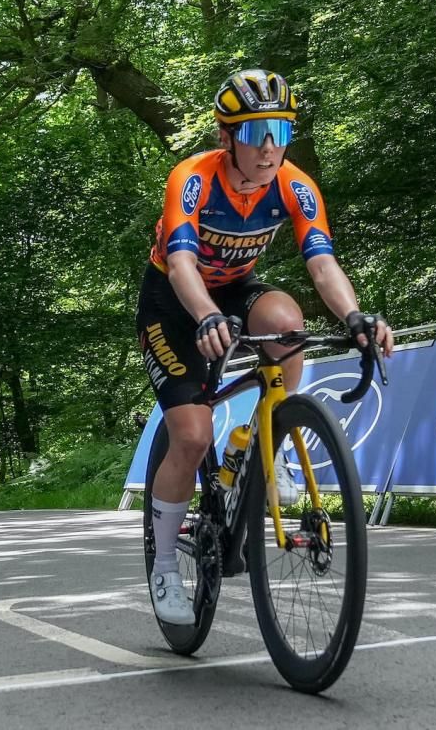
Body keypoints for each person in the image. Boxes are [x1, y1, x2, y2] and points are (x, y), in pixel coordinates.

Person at [135, 69, 394, 625]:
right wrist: (204, 314)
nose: (271, 146)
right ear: (226, 138)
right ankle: (161, 564)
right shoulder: (193, 178)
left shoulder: (295, 184)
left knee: (287, 319)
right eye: (257, 134)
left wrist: (354, 317)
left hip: (234, 289)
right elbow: (181, 262)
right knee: (191, 434)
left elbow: (322, 263)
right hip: (173, 299)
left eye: (280, 130)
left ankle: (255, 437)